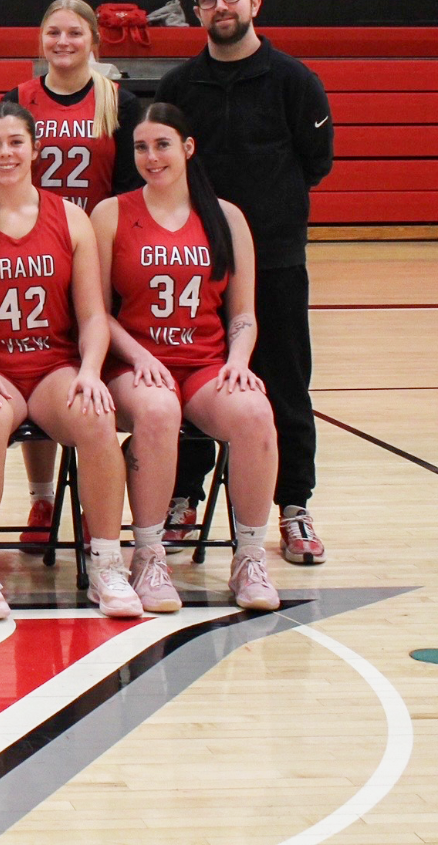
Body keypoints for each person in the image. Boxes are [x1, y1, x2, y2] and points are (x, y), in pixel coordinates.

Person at [0, 103, 141, 620]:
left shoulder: (70, 218)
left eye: (15, 142)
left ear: (35, 148)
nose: (6, 153)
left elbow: (93, 315)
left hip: (52, 367)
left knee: (96, 417)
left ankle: (107, 562)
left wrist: (91, 371)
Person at [156, 0, 333, 565]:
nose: (220, 7)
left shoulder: (294, 80)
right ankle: (183, 494)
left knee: (284, 382)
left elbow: (316, 162)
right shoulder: (179, 87)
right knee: (192, 378)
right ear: (197, 11)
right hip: (198, 265)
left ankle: (294, 505)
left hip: (278, 260)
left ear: (255, 3)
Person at [91, 103, 281, 613]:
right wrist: (135, 353)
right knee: (157, 411)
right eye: (141, 147)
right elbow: (94, 311)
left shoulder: (227, 217)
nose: (151, 157)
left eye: (162, 145)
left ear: (188, 147)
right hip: (133, 365)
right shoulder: (111, 213)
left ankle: (249, 557)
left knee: (256, 414)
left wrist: (239, 360)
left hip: (204, 365)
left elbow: (243, 312)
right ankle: (149, 555)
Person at [2, 0, 142, 545]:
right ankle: (41, 502)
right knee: (33, 364)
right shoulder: (19, 100)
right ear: (41, 40)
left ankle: (93, 505)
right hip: (29, 251)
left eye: (74, 34)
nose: (63, 43)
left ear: (93, 41)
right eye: (53, 33)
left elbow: (131, 189)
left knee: (87, 380)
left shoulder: (119, 102)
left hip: (95, 251)